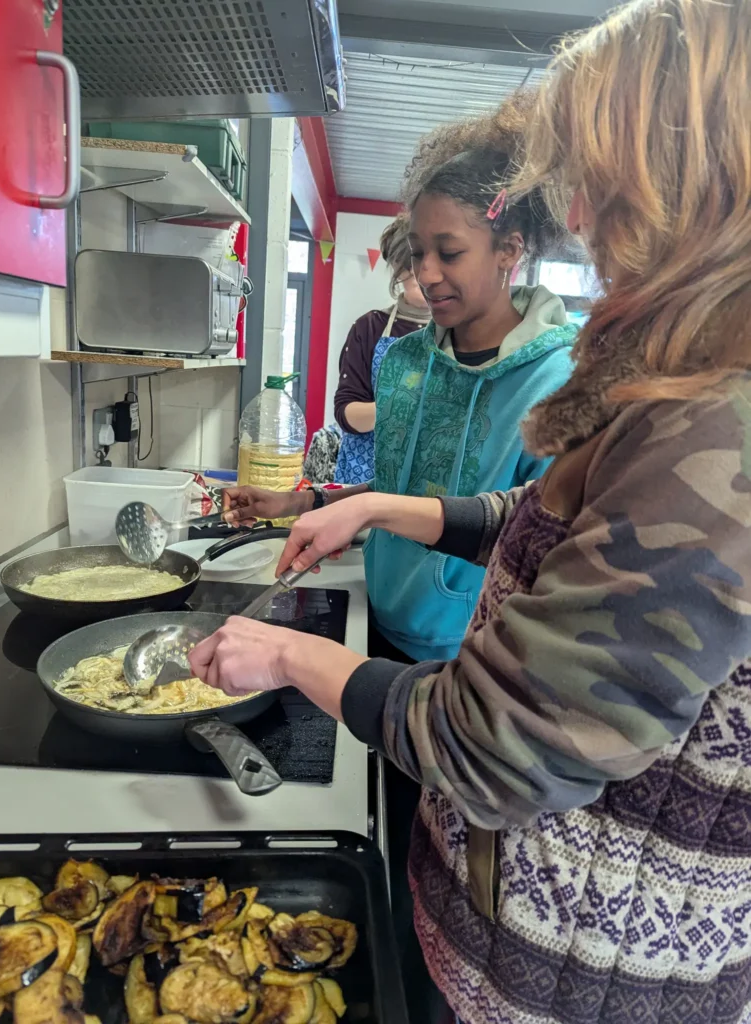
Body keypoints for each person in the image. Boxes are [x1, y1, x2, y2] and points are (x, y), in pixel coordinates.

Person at [191, 0, 751, 1020]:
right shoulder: (678, 385)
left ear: (695, 172)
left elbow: (500, 744)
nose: (577, 215)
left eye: (599, 176)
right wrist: (374, 506)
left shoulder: (718, 425)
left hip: (580, 986)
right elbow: (557, 526)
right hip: (510, 935)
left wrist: (286, 658)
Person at [224, 91, 577, 665]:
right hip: (378, 610)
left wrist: (363, 511)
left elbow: (540, 541)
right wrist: (301, 504)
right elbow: (399, 489)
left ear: (508, 250)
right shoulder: (408, 362)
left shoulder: (558, 383)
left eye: (450, 252)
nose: (427, 274)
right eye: (417, 253)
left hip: (474, 648)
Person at [333, 214, 431, 486]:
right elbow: (347, 413)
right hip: (367, 474)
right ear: (398, 269)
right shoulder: (370, 328)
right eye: (413, 267)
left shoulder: (460, 332)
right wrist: (402, 407)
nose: (427, 275)